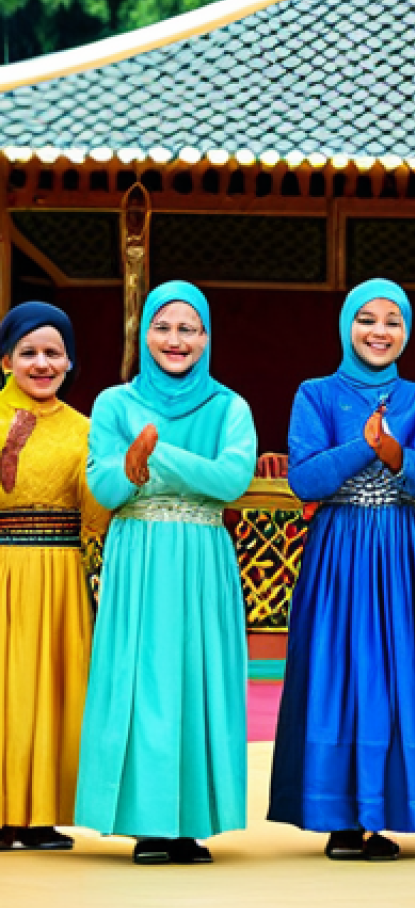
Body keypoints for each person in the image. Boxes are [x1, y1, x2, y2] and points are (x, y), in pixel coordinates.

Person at [269, 279, 415, 862]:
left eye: (392, 321)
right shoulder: (316, 393)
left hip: (403, 552)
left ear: (407, 331)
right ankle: (339, 816)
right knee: (338, 671)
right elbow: (306, 480)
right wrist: (365, 446)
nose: (379, 332)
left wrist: (394, 454)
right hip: (339, 551)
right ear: (346, 326)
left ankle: (388, 813)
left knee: (397, 673)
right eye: (366, 319)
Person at [75, 281, 257, 865]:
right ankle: (150, 824)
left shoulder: (230, 406)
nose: (175, 340)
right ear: (143, 331)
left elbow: (232, 482)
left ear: (207, 337)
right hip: (141, 558)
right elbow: (104, 488)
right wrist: (134, 469)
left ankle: (193, 824)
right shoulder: (113, 403)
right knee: (143, 680)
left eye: (188, 329)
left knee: (198, 679)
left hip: (202, 557)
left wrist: (153, 455)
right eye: (163, 327)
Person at [0, 302, 107, 852]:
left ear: (69, 362)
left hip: (62, 573)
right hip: (3, 573)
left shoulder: (86, 429)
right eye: (28, 353)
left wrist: (124, 466)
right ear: (5, 361)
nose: (42, 364)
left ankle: (42, 815)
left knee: (54, 691)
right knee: (5, 690)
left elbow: (95, 513)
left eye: (53, 353)